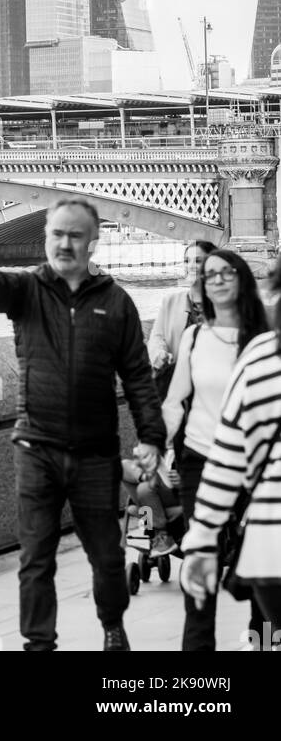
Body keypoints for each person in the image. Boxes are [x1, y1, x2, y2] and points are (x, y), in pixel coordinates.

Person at [0, 198, 165, 653]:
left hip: (96, 453)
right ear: (45, 237)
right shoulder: (27, 290)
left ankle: (113, 628)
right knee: (35, 557)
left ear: (93, 242)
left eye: (75, 235)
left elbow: (137, 375)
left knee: (107, 557)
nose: (64, 243)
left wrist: (151, 437)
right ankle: (39, 645)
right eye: (56, 234)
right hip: (36, 447)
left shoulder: (116, 302)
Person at [163, 248, 270, 650]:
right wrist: (156, 442)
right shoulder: (194, 337)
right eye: (210, 275)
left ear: (243, 279)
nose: (219, 279)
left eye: (228, 272)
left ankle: (266, 645)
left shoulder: (266, 340)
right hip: (202, 462)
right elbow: (175, 402)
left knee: (264, 574)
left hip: (255, 468)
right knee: (199, 569)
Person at [148, 240, 214, 392]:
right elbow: (157, 338)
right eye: (186, 261)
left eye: (198, 261)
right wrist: (159, 354)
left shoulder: (222, 305)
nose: (190, 266)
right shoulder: (170, 302)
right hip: (176, 386)